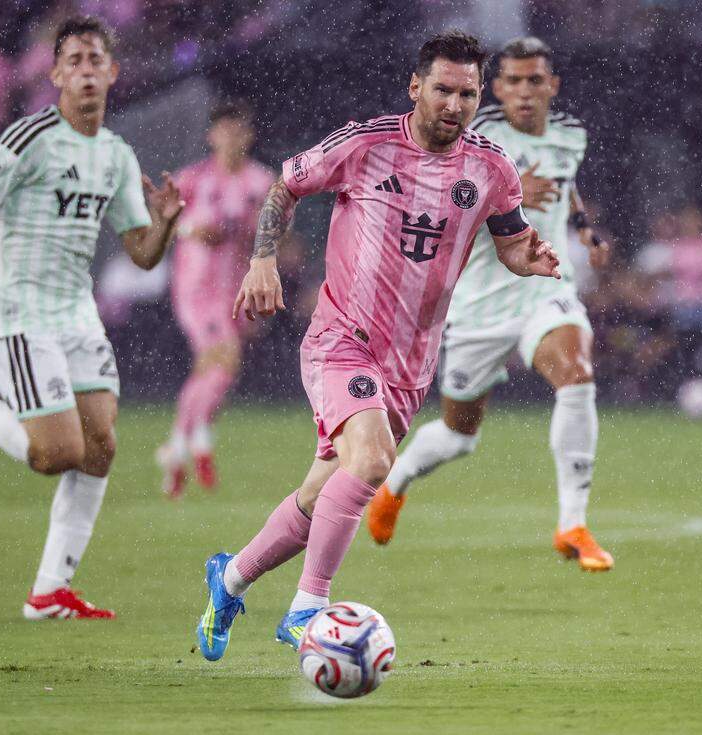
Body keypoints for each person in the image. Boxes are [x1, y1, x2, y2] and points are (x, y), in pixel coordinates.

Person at [195, 30, 560, 661]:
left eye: (467, 93)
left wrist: (527, 257)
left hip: (410, 364)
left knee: (321, 494)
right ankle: (309, 608)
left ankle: (228, 580)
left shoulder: (492, 169)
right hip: (342, 339)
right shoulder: (365, 145)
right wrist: (261, 261)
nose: (454, 103)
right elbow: (285, 187)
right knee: (370, 462)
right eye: (442, 89)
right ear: (415, 88)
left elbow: (510, 237)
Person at [0, 16, 184, 620]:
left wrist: (163, 223)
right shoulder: (32, 137)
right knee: (56, 453)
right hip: (16, 312)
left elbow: (140, 252)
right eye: (74, 60)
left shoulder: (114, 154)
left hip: (75, 314)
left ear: (113, 72)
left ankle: (48, 591)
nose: (85, 70)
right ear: (56, 74)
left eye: (95, 59)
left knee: (101, 446)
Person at [366, 36, 615, 572]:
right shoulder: (477, 134)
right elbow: (434, 200)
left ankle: (572, 523)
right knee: (459, 435)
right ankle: (395, 484)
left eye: (535, 80)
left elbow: (566, 186)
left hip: (543, 285)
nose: (525, 92)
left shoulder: (572, 135)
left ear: (552, 85)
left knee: (577, 374)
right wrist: (504, 189)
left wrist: (585, 230)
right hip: (476, 302)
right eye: (513, 81)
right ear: (496, 87)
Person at [156, 101, 275, 497]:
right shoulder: (192, 180)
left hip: (238, 290)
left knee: (214, 370)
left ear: (249, 135)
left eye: (238, 131)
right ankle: (196, 443)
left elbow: (277, 233)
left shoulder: (261, 181)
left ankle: (177, 449)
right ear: (212, 136)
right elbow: (161, 226)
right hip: (196, 289)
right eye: (224, 131)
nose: (231, 138)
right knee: (224, 358)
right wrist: (192, 230)